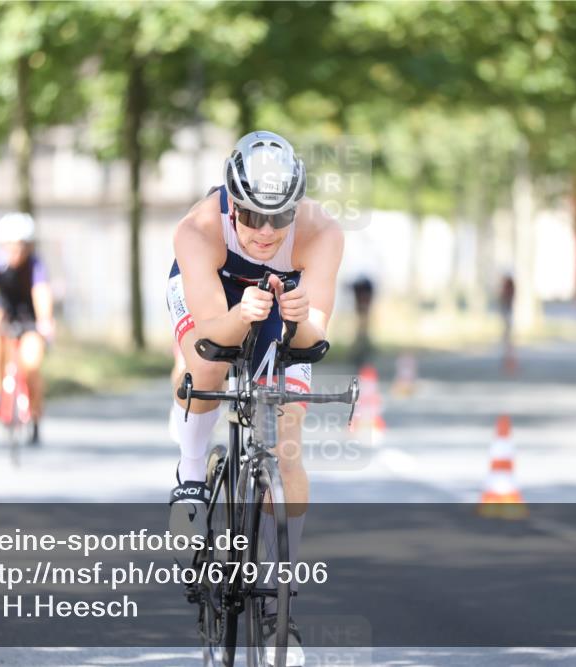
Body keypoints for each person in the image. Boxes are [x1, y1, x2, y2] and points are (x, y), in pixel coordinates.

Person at [165, 130, 343, 666]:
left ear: (297, 208)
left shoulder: (322, 233)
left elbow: (315, 342)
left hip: (283, 301)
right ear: (231, 203)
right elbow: (210, 335)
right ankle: (191, 474)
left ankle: (279, 609)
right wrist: (241, 315)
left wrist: (301, 318)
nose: (266, 232)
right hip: (216, 297)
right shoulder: (198, 229)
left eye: (280, 218)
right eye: (251, 217)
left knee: (286, 438)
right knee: (206, 367)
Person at [0, 212, 54, 445]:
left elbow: (42, 294)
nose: (16, 252)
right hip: (4, 314)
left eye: (21, 246)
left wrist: (46, 321)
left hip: (29, 319)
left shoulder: (35, 266)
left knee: (31, 365)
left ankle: (36, 414)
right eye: (11, 246)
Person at [499, 272, 516, 370]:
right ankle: (508, 360)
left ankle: (509, 361)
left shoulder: (507, 292)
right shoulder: (509, 291)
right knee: (507, 340)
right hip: (507, 315)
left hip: (507, 316)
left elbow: (503, 302)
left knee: (508, 340)